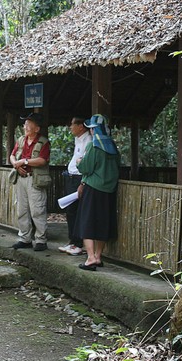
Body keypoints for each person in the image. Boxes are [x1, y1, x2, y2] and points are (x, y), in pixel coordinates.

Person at [75, 114, 120, 271]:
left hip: (93, 189)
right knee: (103, 222)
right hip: (109, 191)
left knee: (86, 222)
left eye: (92, 129)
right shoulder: (113, 147)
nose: (91, 132)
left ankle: (90, 257)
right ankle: (99, 256)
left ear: (95, 130)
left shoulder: (94, 146)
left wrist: (79, 162)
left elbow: (85, 168)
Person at [9, 112, 51, 251]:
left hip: (35, 180)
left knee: (37, 210)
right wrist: (17, 164)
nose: (25, 127)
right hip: (21, 179)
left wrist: (24, 161)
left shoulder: (43, 142)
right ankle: (25, 238)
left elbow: (42, 160)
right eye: (25, 124)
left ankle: (40, 240)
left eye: (28, 125)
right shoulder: (21, 140)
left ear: (36, 129)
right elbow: (12, 156)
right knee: (22, 209)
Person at [59, 117, 91, 256]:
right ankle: (73, 241)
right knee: (70, 210)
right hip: (71, 177)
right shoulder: (78, 139)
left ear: (81, 126)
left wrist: (82, 182)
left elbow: (84, 163)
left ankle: (78, 244)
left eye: (72, 124)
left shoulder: (88, 140)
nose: (70, 127)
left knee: (77, 210)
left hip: (79, 178)